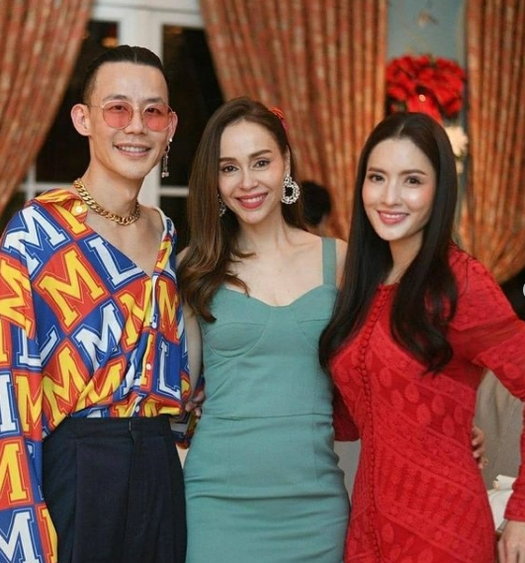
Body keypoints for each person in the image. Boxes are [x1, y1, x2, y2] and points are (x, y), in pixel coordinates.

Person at [0, 45, 193, 562]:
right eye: (117, 109)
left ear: (170, 126)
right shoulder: (35, 233)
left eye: (153, 111)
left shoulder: (166, 233)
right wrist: (21, 527)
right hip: (78, 468)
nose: (137, 127)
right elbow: (10, 390)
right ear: (83, 119)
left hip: (158, 467)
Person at [318, 111, 525, 562]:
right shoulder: (364, 284)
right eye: (377, 177)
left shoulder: (460, 283)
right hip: (368, 530)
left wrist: (521, 514)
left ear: (440, 190)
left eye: (412, 180)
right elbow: (354, 417)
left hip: (443, 532)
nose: (390, 196)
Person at [177, 97, 349, 562]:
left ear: (285, 163)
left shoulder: (338, 259)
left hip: (316, 507)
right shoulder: (194, 268)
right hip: (218, 505)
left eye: (261, 162)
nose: (247, 182)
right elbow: (177, 392)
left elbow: (377, 372)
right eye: (229, 168)